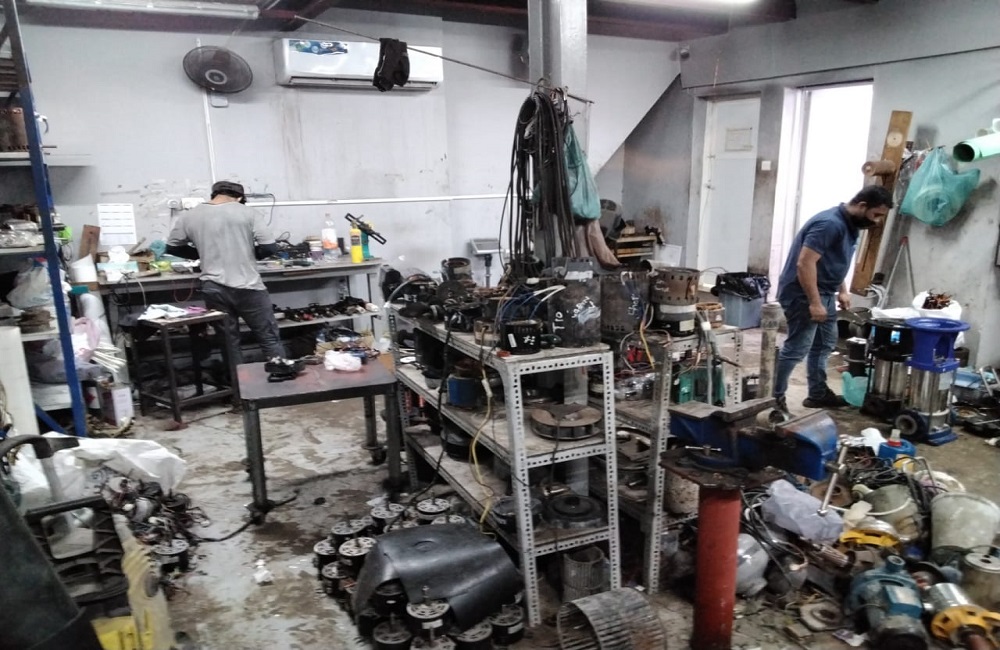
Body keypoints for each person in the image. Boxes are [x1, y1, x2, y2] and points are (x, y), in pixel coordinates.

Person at [773, 185, 894, 413]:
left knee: (824, 345)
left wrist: (843, 289)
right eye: (876, 214)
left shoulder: (850, 225)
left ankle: (817, 394)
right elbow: (804, 263)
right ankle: (774, 399)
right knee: (797, 348)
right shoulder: (829, 224)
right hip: (802, 293)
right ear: (862, 206)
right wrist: (814, 302)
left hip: (825, 292)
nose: (877, 221)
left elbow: (834, 260)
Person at [166, 180, 286, 364]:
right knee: (268, 337)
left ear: (214, 195)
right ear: (239, 198)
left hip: (213, 288)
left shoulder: (189, 215)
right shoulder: (248, 213)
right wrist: (249, 254)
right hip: (249, 286)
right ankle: (280, 374)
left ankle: (238, 381)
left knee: (229, 342)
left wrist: (201, 254)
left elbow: (173, 247)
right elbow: (269, 247)